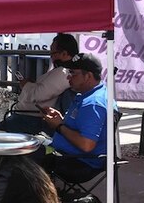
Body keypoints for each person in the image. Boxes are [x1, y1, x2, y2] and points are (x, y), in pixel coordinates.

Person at [39, 53, 110, 183]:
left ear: (88, 76)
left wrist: (59, 126)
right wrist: (61, 120)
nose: (68, 77)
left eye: (73, 73)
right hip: (68, 154)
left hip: (78, 162)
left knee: (23, 156)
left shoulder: (93, 103)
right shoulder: (89, 95)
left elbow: (87, 145)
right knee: (34, 142)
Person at [0, 34, 80, 135]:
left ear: (64, 54)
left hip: (31, 119)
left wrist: (26, 85)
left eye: (53, 53)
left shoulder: (63, 72)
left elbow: (39, 94)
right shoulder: (62, 71)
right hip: (27, 115)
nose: (51, 56)